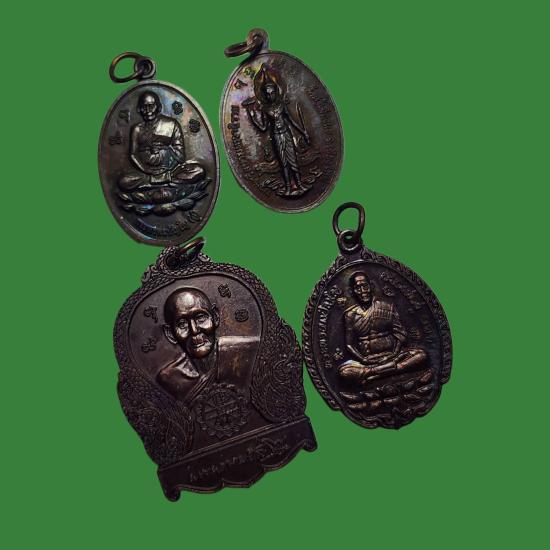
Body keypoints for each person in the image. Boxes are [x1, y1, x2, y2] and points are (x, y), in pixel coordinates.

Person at [338, 272, 427, 385]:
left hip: (393, 357)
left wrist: (394, 354)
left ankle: (372, 374)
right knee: (344, 372)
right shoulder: (350, 315)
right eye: (358, 288)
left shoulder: (387, 306)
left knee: (421, 355)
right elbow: (349, 345)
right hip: (367, 361)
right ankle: (389, 370)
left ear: (371, 286)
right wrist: (363, 359)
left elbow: (400, 333)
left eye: (365, 286)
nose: (363, 291)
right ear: (352, 292)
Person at [243, 65, 309, 196]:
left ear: (276, 91)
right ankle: (288, 188)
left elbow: (292, 121)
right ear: (264, 95)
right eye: (267, 94)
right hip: (276, 136)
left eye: (272, 92)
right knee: (283, 163)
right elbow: (263, 128)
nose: (270, 95)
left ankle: (300, 184)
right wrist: (252, 117)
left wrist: (303, 132)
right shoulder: (265, 109)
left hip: (286, 133)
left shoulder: (281, 105)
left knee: (293, 160)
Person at [119, 91, 204, 191]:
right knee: (123, 181)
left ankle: (155, 183)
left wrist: (165, 149)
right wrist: (146, 170)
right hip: (147, 173)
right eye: (144, 107)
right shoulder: (137, 129)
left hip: (171, 171)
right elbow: (133, 155)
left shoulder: (171, 124)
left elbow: (181, 156)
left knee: (198, 171)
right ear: (139, 109)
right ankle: (164, 182)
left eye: (151, 106)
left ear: (159, 107)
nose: (148, 110)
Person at [157, 288, 220, 401]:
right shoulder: (170, 379)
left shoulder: (241, 353)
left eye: (200, 318)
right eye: (182, 324)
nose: (194, 330)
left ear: (215, 317)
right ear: (170, 334)